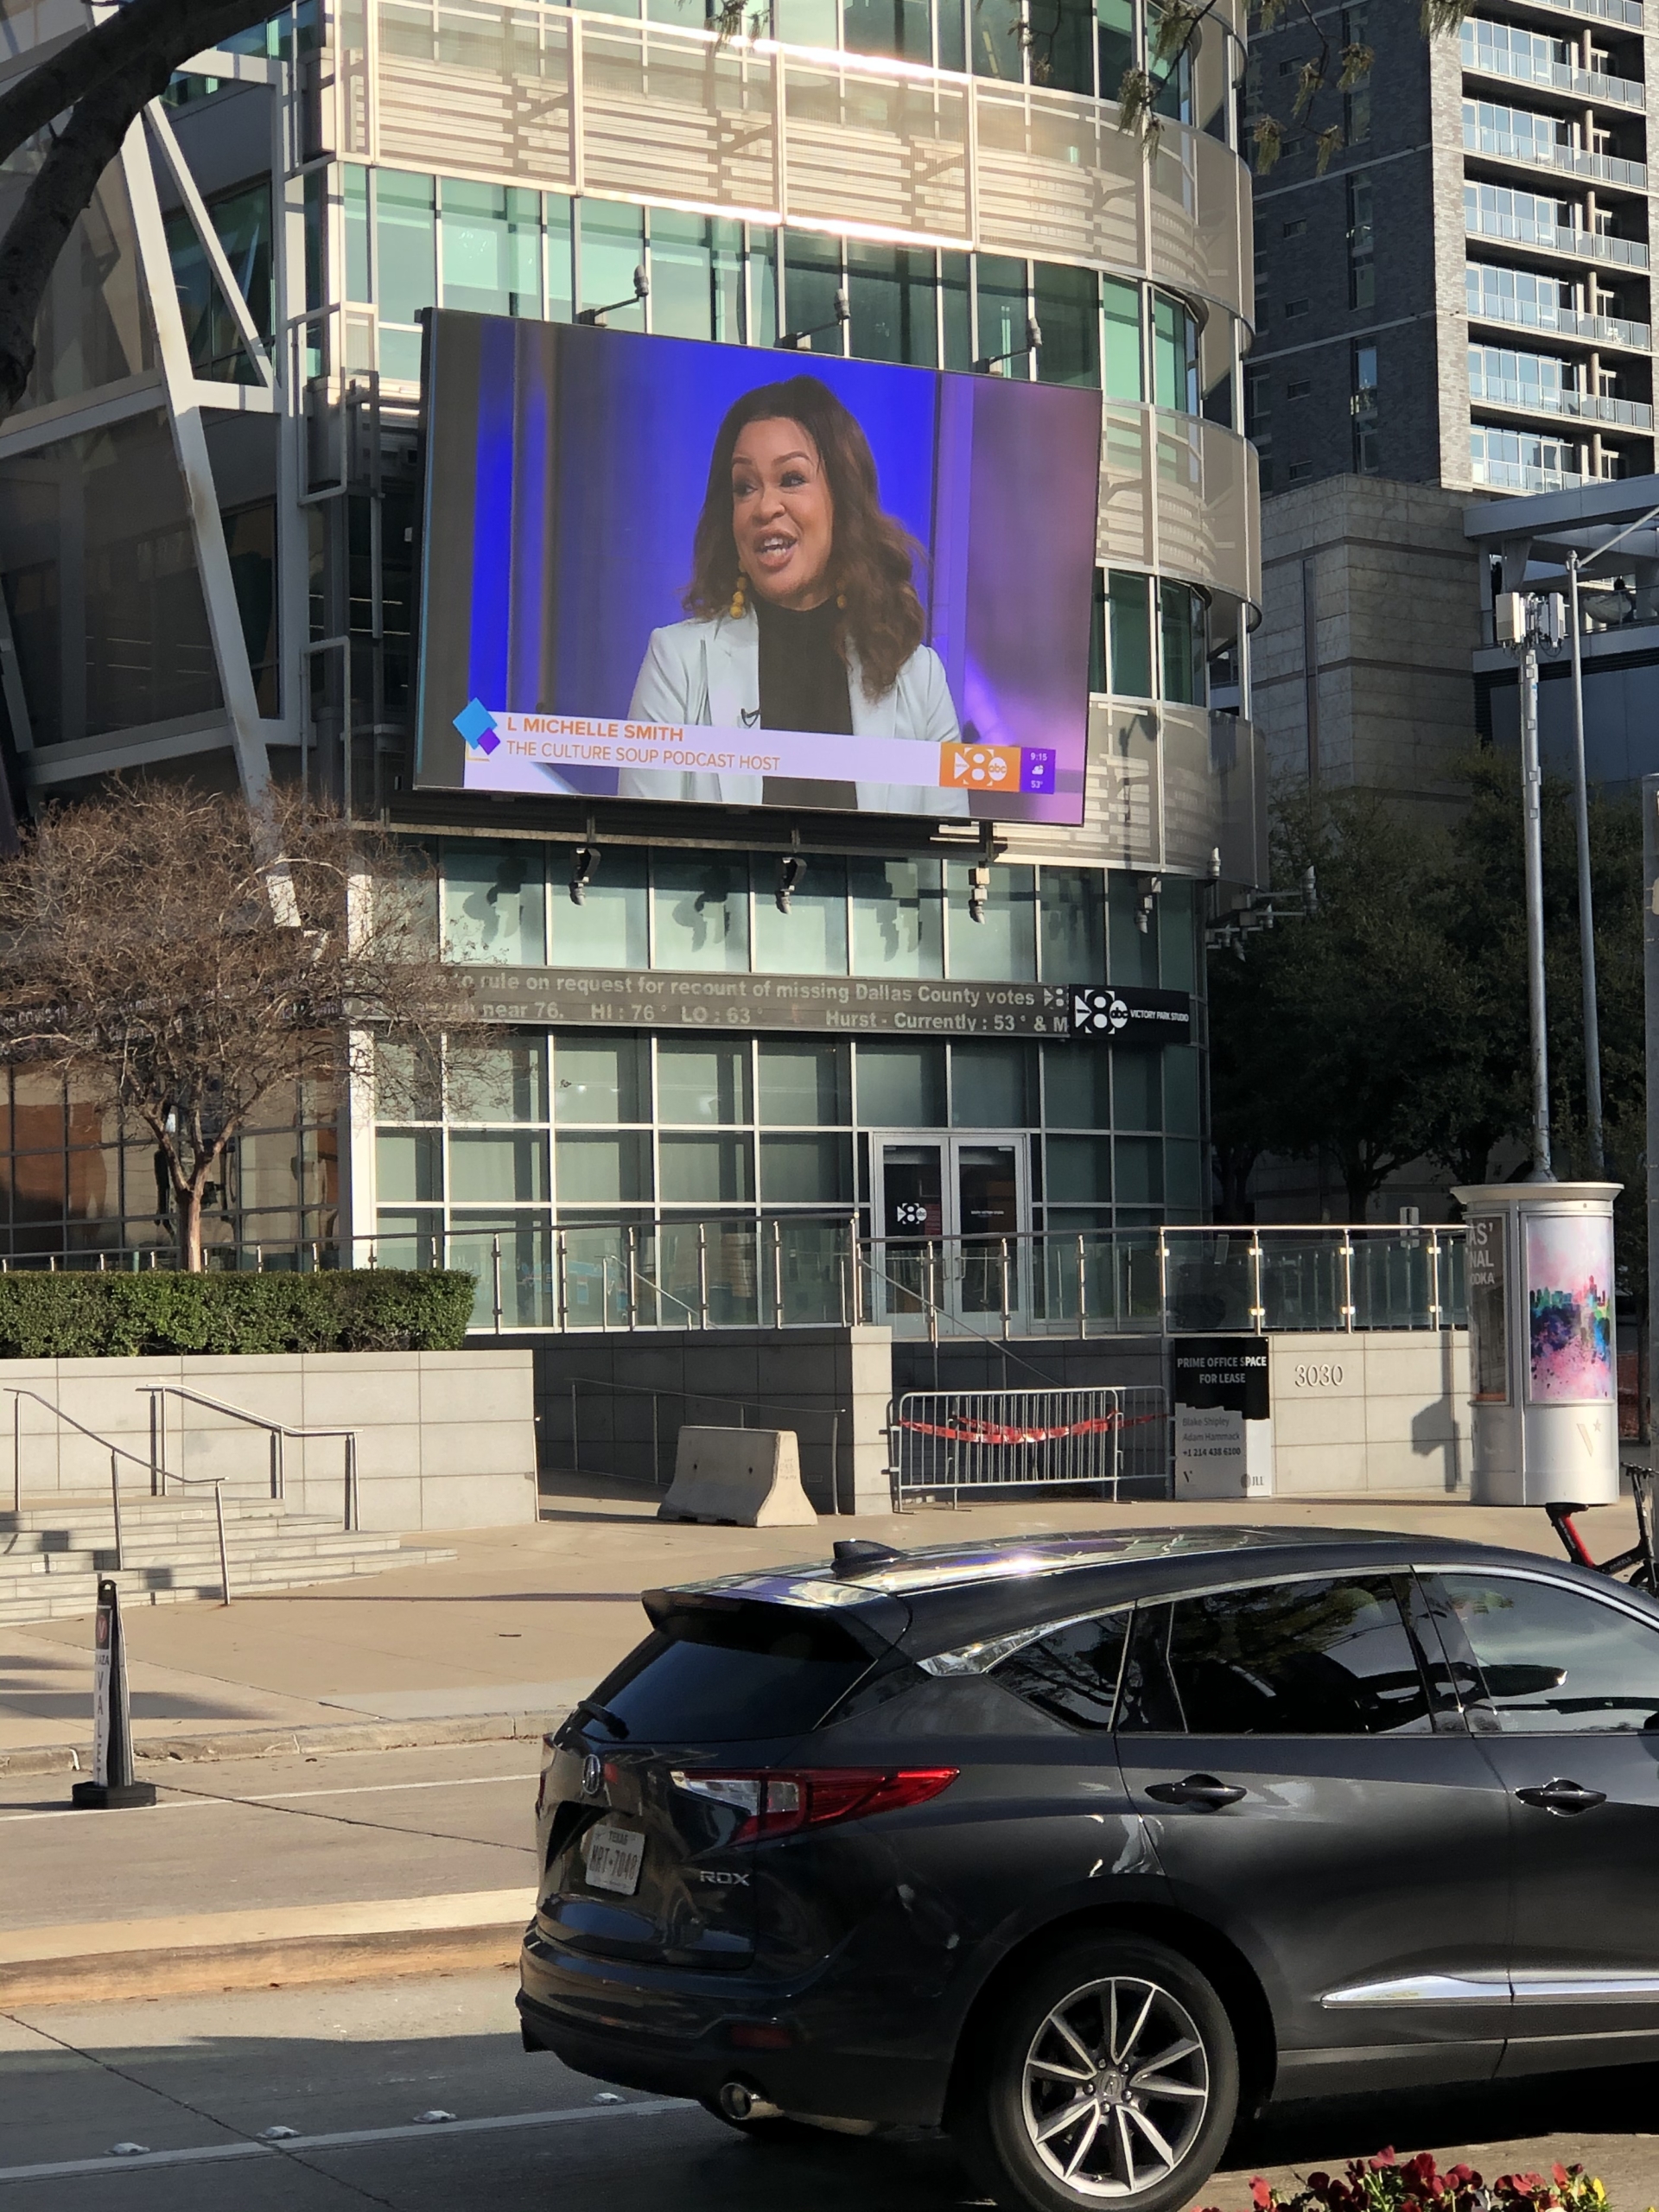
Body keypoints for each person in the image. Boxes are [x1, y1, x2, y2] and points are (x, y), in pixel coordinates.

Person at [626, 374, 963, 810]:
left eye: (790, 478)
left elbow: (945, 861)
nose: (765, 507)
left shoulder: (919, 678)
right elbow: (641, 851)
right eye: (745, 487)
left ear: (842, 499)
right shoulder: (678, 663)